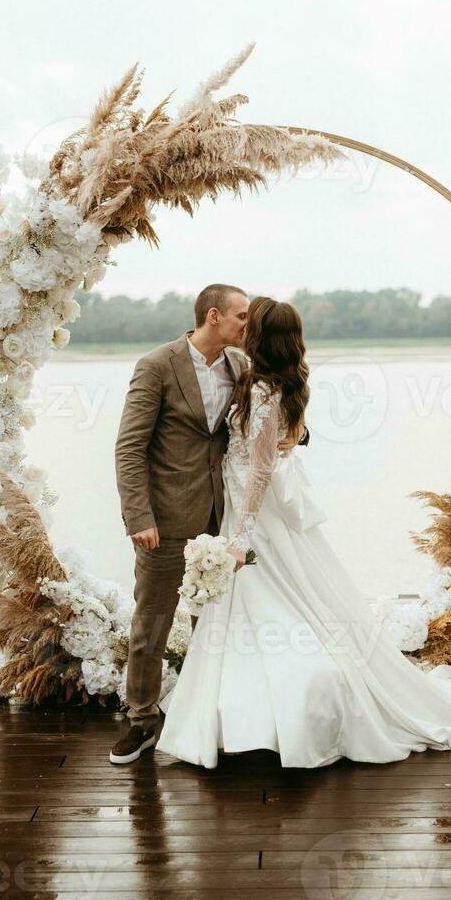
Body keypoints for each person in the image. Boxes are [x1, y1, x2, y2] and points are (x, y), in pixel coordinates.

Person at [155, 296, 451, 769]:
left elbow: (261, 472)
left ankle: (264, 719)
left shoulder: (264, 393)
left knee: (275, 600)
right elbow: (272, 446)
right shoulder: (260, 381)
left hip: (256, 516)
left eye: (252, 322)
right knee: (250, 610)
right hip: (242, 509)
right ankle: (237, 720)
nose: (243, 325)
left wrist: (239, 539)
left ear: (261, 338)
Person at [110, 284, 308, 764]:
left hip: (224, 519)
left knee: (214, 627)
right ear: (213, 315)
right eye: (242, 316)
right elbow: (129, 448)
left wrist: (295, 434)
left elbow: (264, 429)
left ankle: (206, 720)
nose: (249, 324)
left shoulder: (242, 368)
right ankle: (142, 720)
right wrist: (139, 516)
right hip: (165, 519)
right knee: (151, 624)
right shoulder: (157, 366)